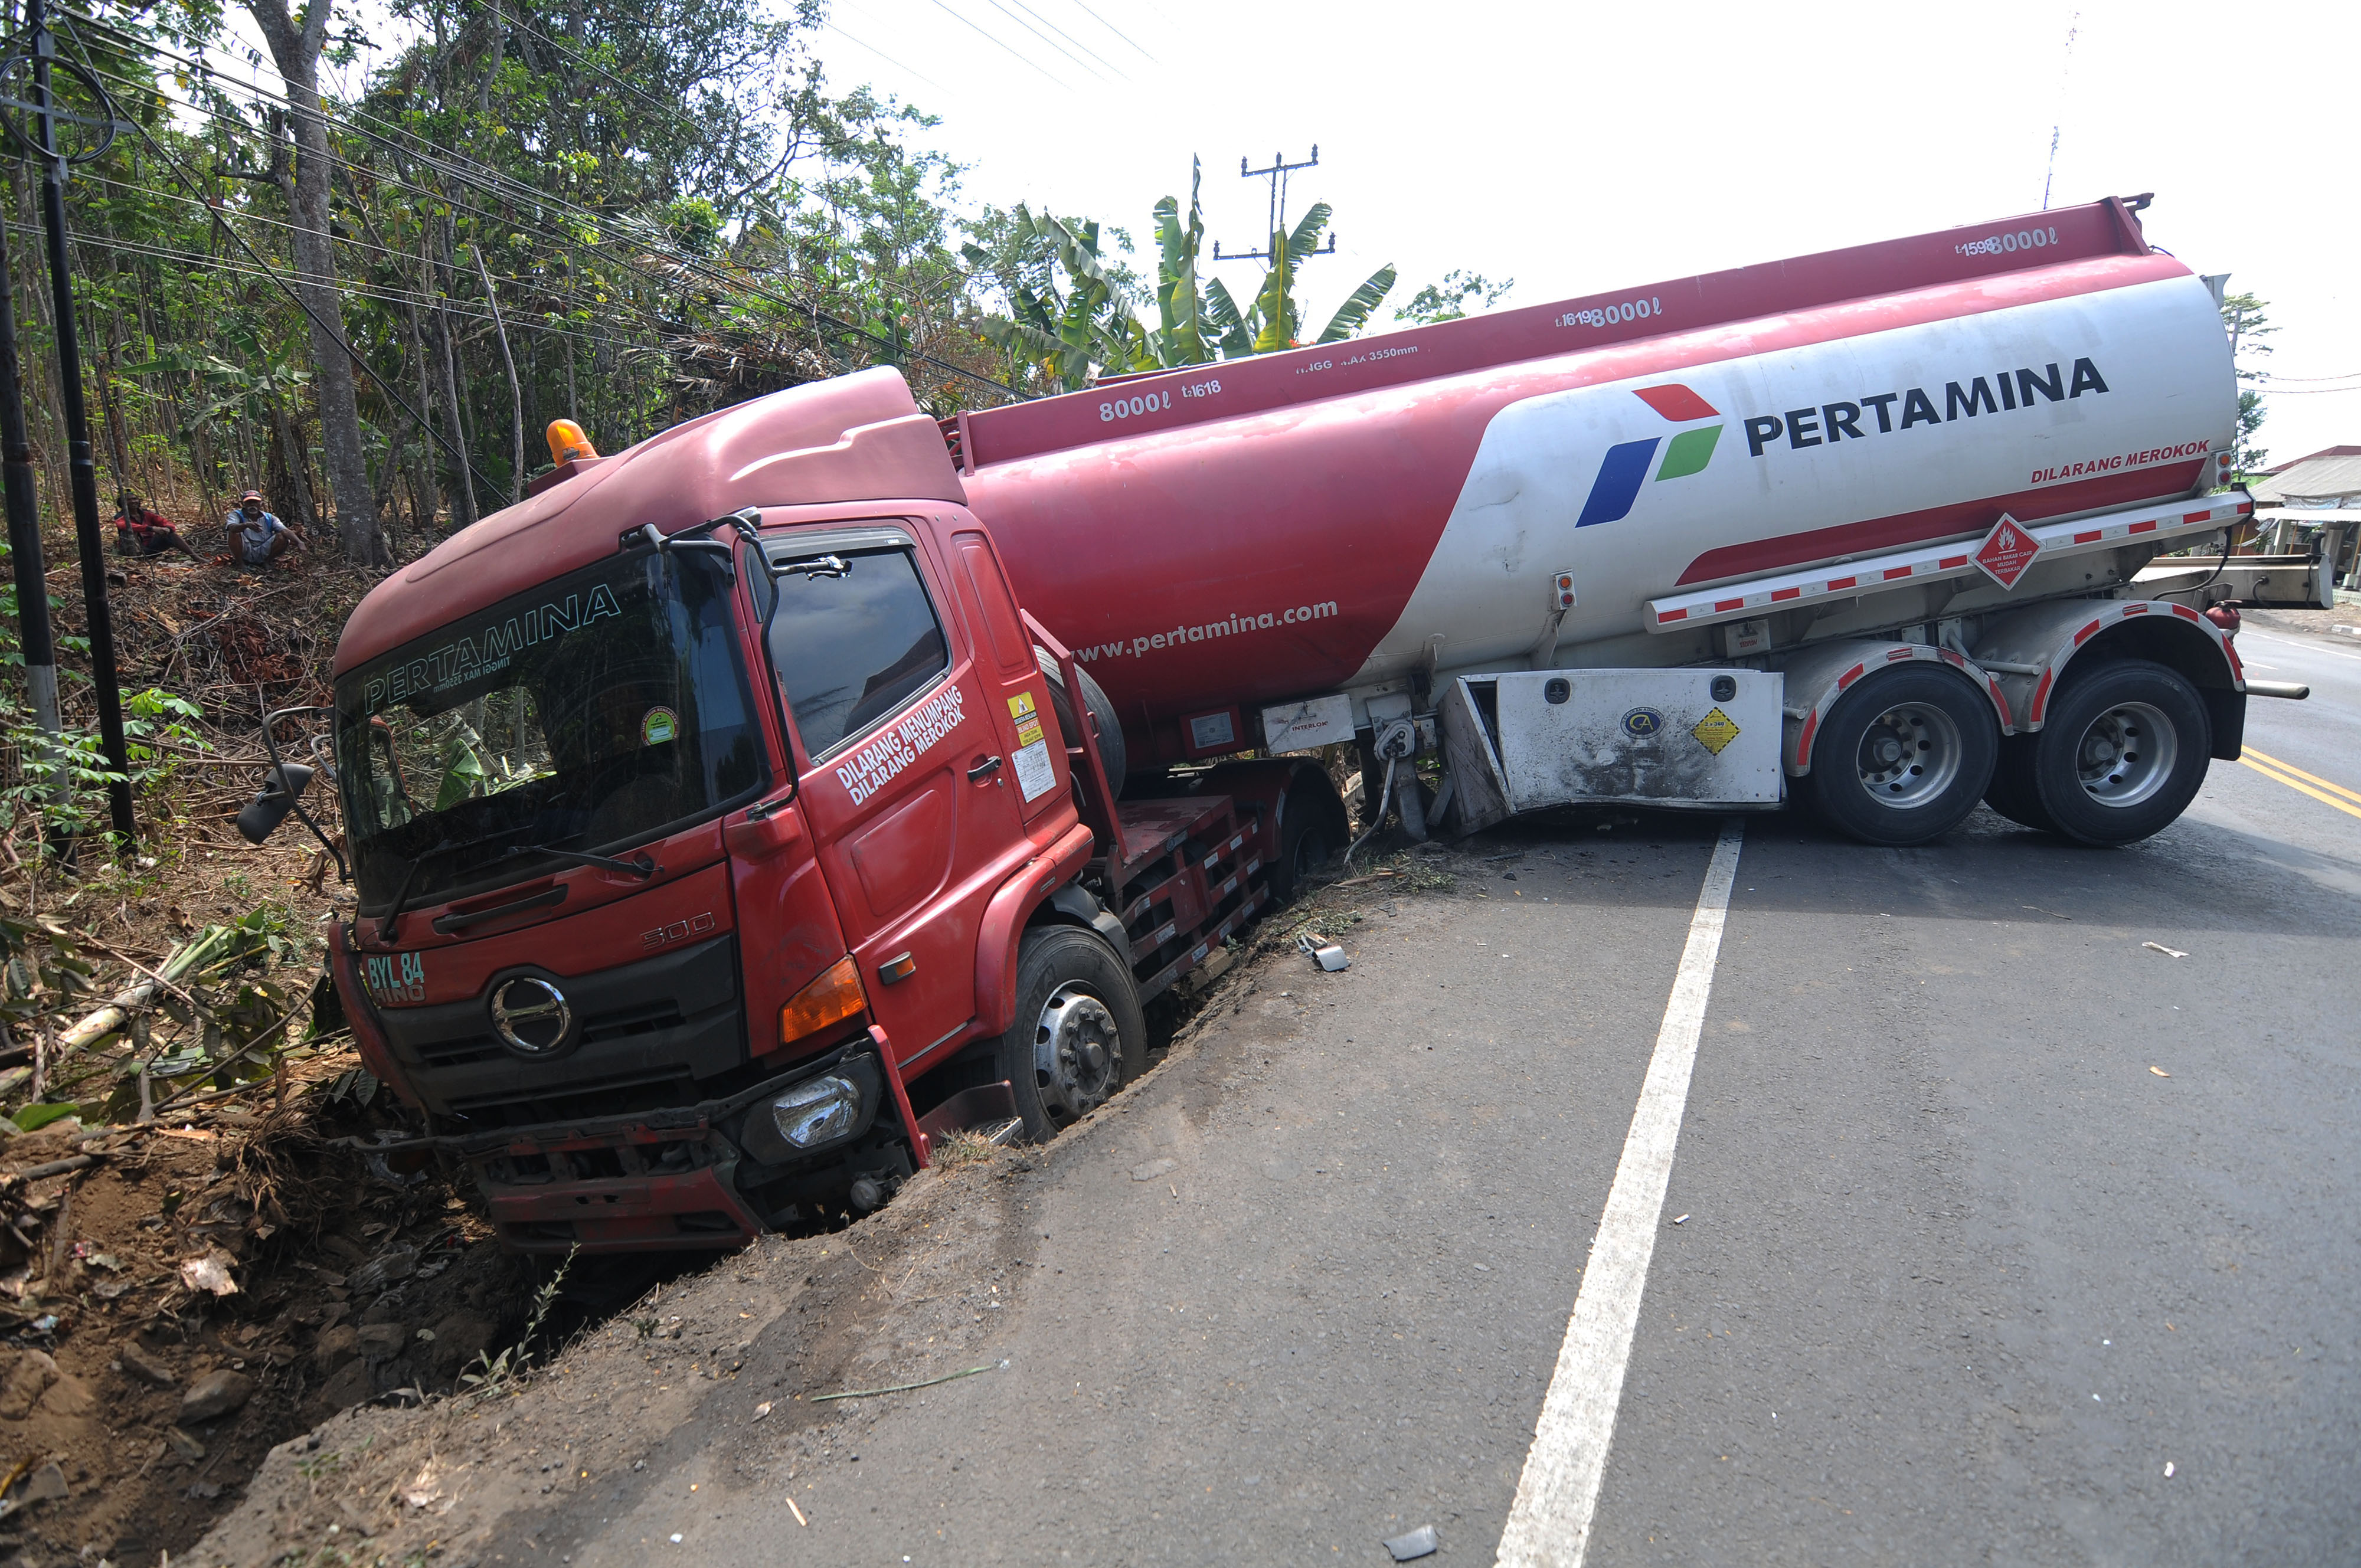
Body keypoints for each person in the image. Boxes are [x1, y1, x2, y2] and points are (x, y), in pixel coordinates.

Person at [224, 489, 308, 568]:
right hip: (245, 550)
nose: (252, 505)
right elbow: (231, 527)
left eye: (255, 502)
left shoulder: (269, 518)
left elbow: (284, 530)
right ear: (244, 504)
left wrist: (299, 542)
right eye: (249, 502)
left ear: (261, 504)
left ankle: (267, 562)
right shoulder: (236, 515)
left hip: (264, 550)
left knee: (282, 537)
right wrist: (246, 525)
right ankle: (241, 564)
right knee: (233, 532)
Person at [111, 493, 197, 560]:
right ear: (122, 503)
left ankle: (195, 557)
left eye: (135, 499)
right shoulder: (120, 516)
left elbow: (166, 522)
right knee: (128, 532)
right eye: (129, 500)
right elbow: (124, 526)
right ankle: (138, 558)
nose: (133, 501)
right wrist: (151, 529)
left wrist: (168, 529)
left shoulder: (147, 514)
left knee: (171, 535)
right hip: (133, 550)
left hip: (151, 547)